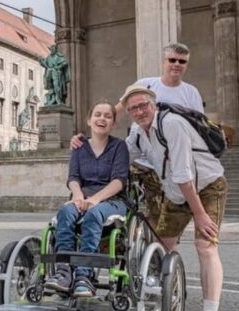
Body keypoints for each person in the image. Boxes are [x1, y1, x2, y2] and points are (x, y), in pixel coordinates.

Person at [122, 84, 227, 311]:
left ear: (153, 104)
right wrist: (85, 143)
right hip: (177, 192)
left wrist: (200, 214)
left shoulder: (172, 124)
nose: (139, 111)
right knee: (163, 246)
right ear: (128, 112)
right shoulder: (138, 133)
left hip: (207, 187)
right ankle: (162, 297)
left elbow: (184, 173)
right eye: (133, 108)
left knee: (206, 246)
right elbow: (118, 156)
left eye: (143, 105)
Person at [72, 42, 203, 227]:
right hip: (139, 158)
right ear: (164, 62)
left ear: (186, 65)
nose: (176, 64)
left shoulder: (191, 93)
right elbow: (111, 114)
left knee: (161, 215)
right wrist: (87, 140)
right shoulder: (144, 84)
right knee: (104, 177)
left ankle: (158, 247)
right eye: (172, 60)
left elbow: (198, 129)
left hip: (169, 163)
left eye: (182, 61)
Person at [44, 100, 129, 298]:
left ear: (113, 124)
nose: (102, 119)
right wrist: (78, 196)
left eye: (108, 116)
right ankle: (63, 271)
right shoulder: (79, 147)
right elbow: (73, 178)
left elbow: (119, 181)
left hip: (112, 200)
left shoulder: (119, 147)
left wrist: (94, 200)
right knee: (66, 211)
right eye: (97, 115)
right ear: (89, 120)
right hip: (83, 197)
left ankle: (84, 274)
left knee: (93, 213)